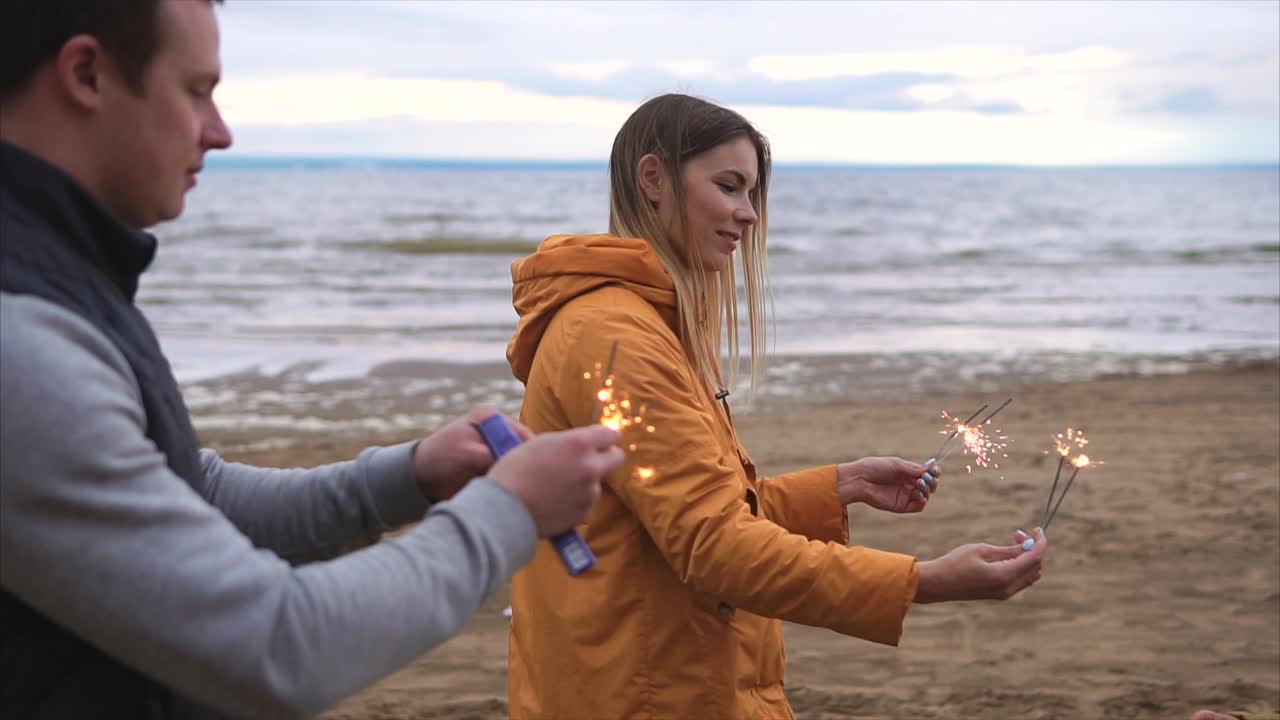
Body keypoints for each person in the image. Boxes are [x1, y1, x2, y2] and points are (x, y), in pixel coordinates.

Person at [0, 1, 624, 717]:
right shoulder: (20, 335)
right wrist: (507, 511)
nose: (221, 131)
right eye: (196, 90)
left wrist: (407, 477)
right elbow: (272, 646)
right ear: (86, 74)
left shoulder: (59, 275)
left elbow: (184, 493)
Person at [503, 93, 1049, 719]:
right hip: (644, 692)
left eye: (752, 195)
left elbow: (673, 515)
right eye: (729, 187)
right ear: (653, 179)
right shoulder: (616, 338)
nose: (749, 214)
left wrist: (840, 485)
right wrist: (923, 581)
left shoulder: (647, 325)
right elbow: (714, 546)